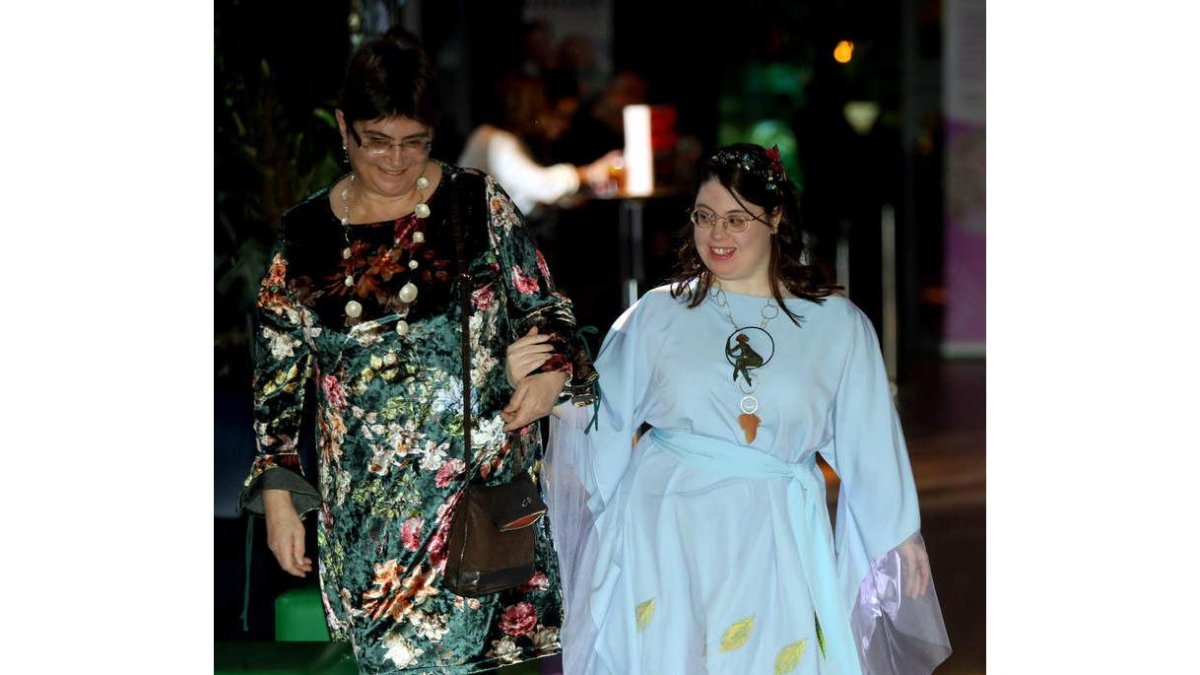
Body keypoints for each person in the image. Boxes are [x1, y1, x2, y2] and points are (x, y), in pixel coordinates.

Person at [509, 144, 952, 673]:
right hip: (667, 524)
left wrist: (898, 533)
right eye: (705, 216)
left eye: (737, 219)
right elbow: (603, 412)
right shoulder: (658, 312)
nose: (717, 234)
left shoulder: (836, 324)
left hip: (773, 528)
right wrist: (546, 389)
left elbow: (869, 437)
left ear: (775, 218)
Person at [239, 29, 595, 674]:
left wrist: (545, 375)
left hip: (481, 514)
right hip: (372, 535)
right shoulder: (307, 238)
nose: (397, 162)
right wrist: (281, 502)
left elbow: (548, 308)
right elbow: (276, 391)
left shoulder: (476, 205)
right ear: (344, 126)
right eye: (376, 141)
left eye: (414, 142)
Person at [457, 73, 621, 218]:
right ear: (535, 110)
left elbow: (526, 196)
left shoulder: (503, 138)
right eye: (560, 116)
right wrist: (589, 173)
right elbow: (542, 186)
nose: (566, 125)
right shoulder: (494, 139)